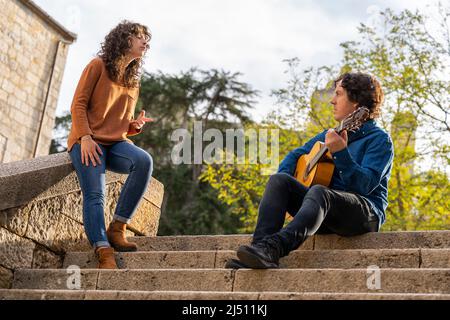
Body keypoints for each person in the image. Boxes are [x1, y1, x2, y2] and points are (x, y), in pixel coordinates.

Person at [227, 72, 394, 269]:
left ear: (356, 101)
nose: (332, 101)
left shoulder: (380, 140)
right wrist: (294, 182)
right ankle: (260, 251)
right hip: (321, 215)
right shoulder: (328, 134)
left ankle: (275, 248)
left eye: (338, 94)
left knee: (319, 192)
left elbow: (363, 186)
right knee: (279, 180)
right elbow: (296, 155)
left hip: (364, 215)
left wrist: (340, 152)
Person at [67, 21, 154, 269]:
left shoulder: (132, 81)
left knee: (143, 160)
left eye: (147, 39)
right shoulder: (97, 65)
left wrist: (133, 126)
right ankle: (103, 249)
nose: (145, 42)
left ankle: (118, 226)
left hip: (115, 143)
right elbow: (78, 105)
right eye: (140, 37)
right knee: (96, 194)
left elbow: (118, 122)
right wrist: (84, 137)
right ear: (125, 39)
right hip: (87, 142)